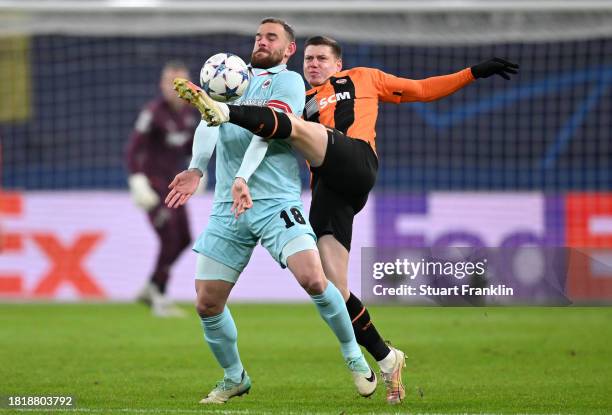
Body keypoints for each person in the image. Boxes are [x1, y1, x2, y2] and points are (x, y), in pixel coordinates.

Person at [179, 35, 519, 404]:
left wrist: (472, 73)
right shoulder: (301, 99)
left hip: (355, 160)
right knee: (331, 287)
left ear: (338, 64)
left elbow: (421, 89)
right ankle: (387, 359)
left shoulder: (364, 78)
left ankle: (225, 110)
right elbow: (267, 133)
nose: (313, 65)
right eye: (308, 59)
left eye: (322, 59)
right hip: (330, 189)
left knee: (292, 125)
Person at [166, 19, 376, 404]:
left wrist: (243, 176)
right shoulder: (231, 78)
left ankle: (353, 356)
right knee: (207, 303)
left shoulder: (289, 84)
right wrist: (197, 168)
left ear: (289, 48)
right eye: (258, 36)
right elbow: (209, 123)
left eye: (271, 37)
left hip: (276, 201)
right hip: (229, 206)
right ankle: (234, 377)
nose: (261, 42)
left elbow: (271, 130)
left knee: (314, 279)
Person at [125, 60, 200, 317]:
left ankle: (151, 287)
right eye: (170, 83)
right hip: (153, 186)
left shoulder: (191, 114)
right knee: (169, 238)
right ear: (162, 85)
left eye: (180, 83)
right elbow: (133, 149)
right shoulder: (152, 112)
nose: (175, 88)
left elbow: (193, 148)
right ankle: (160, 296)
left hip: (174, 185)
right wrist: (137, 180)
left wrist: (198, 169)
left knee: (185, 239)